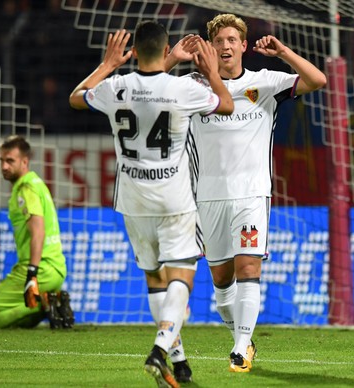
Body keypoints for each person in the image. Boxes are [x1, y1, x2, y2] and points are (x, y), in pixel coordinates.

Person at [69, 21, 233, 387]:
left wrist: (108, 65)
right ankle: (160, 349)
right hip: (173, 200)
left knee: (155, 278)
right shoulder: (184, 88)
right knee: (182, 276)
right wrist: (208, 70)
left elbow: (77, 97)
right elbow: (224, 104)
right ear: (166, 49)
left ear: (134, 51)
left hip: (132, 199)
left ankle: (180, 361)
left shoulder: (115, 87)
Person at [166, 13, 327, 373]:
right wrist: (173, 58)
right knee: (222, 281)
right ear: (210, 47)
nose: (225, 46)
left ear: (242, 45)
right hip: (207, 197)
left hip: (253, 194)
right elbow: (150, 89)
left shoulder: (265, 83)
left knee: (249, 267)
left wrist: (283, 51)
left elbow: (318, 80)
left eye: (231, 40)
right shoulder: (195, 87)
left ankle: (240, 350)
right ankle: (241, 335)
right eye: (218, 41)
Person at [0, 135, 74, 330]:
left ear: (24, 161)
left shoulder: (26, 189)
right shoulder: (37, 183)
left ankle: (44, 304)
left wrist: (32, 274)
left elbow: (38, 231)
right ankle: (47, 304)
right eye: (2, 160)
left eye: (10, 161)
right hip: (57, 268)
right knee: (16, 315)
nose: (4, 166)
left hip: (39, 270)